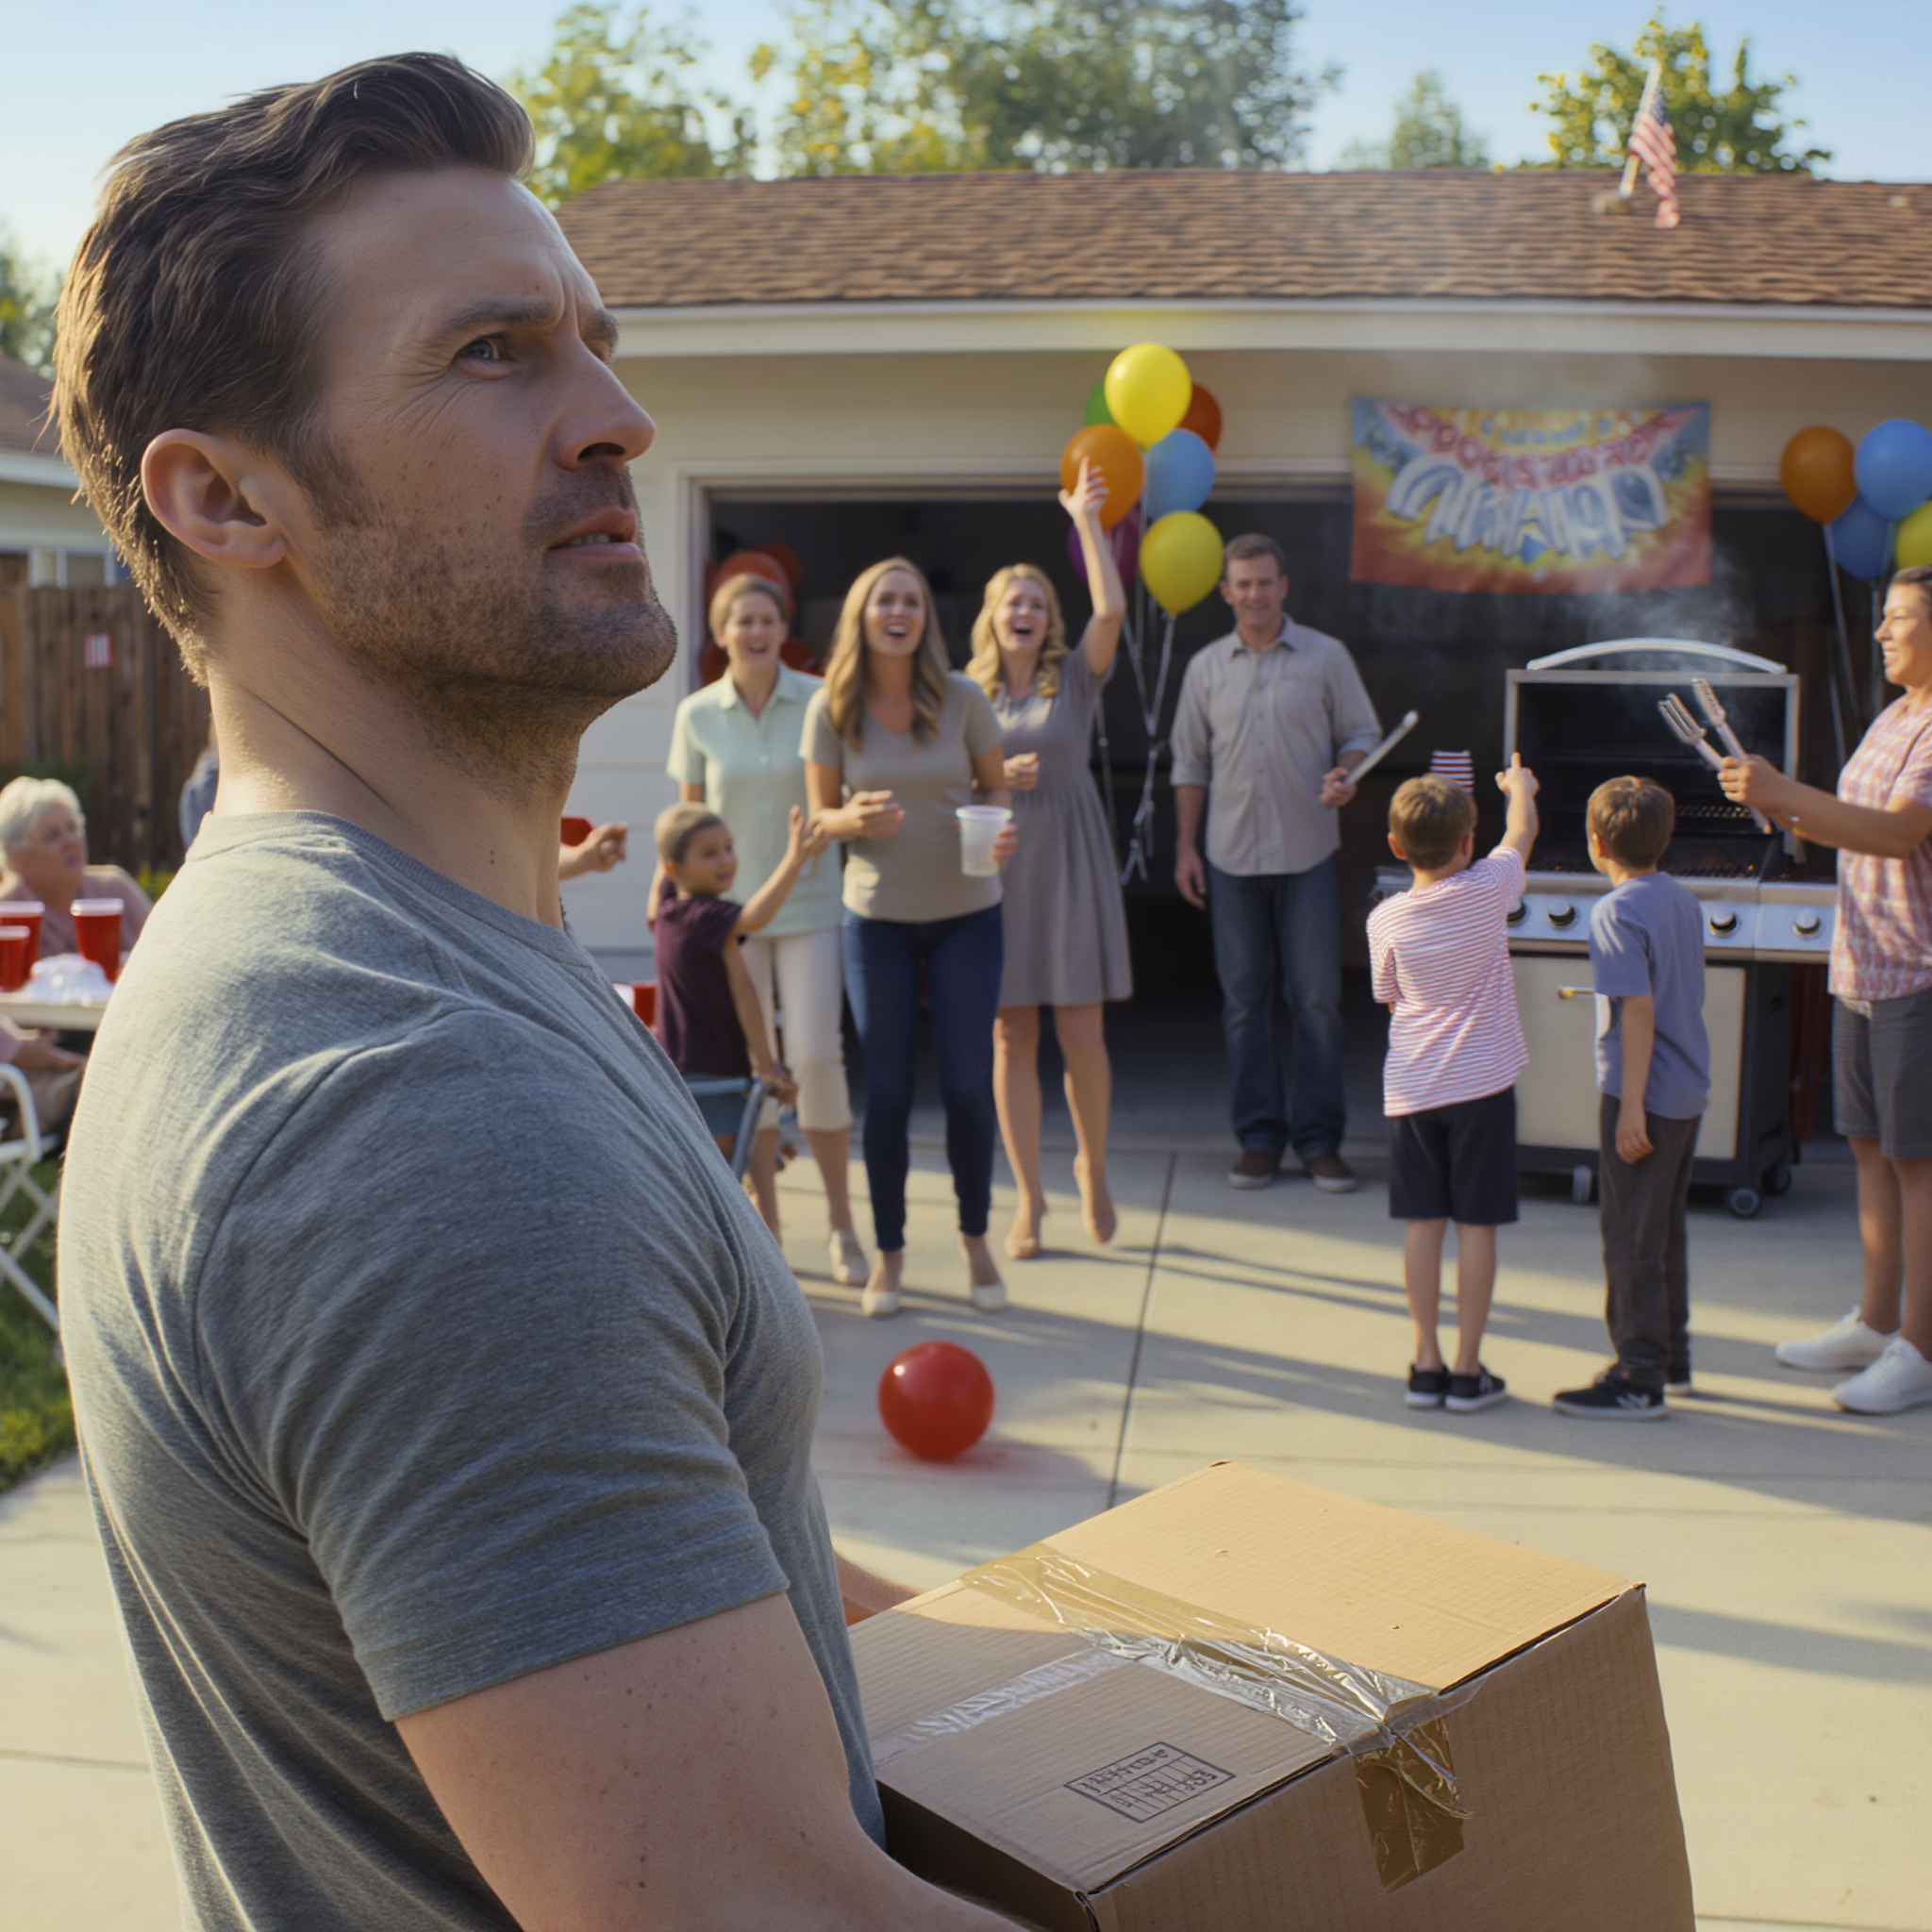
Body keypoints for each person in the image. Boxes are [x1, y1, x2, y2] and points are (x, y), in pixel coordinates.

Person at [51, 54, 1027, 1931]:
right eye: (495, 352)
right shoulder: (409, 1098)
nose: (618, 418)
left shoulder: (364, 950)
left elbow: (696, 1577)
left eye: (594, 340)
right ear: (229, 499)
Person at [1724, 564, 1932, 1416]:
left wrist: (1784, 793)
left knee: (1920, 1165)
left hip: (1921, 970)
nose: (1881, 632)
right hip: (1862, 963)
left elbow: (1897, 833)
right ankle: (1878, 1322)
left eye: (1900, 618)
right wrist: (1779, 807)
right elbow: (1846, 820)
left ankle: (1921, 1346)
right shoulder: (1893, 715)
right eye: (1883, 617)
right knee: (1869, 1149)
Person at [804, 557, 1017, 1320]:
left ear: (926, 618)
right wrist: (849, 823)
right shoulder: (832, 706)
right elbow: (819, 816)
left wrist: (997, 829)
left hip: (968, 913)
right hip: (878, 921)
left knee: (965, 1087)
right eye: (885, 600)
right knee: (888, 1092)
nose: (900, 612)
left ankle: (975, 1239)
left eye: (913, 602)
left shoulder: (962, 698)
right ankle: (889, 1255)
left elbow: (995, 785)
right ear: (862, 614)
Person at [665, 571, 865, 1285]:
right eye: (740, 621)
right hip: (727, 924)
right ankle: (767, 1242)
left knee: (812, 1058)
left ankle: (843, 1226)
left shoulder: (818, 701)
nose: (754, 631)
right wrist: (665, 896)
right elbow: (685, 821)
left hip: (810, 904)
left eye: (766, 620)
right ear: (720, 634)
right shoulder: (696, 714)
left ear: (785, 630)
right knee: (754, 1071)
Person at [1169, 533, 1382, 1194]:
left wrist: (1348, 774)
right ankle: (1260, 1139)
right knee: (1243, 1004)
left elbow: (1362, 736)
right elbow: (1189, 764)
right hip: (1229, 860)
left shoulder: (1326, 657)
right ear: (1225, 591)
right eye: (1243, 584)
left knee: (1317, 1002)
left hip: (1308, 854)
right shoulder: (1205, 668)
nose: (1255, 594)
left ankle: (1320, 1142)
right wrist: (1183, 846)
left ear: (1283, 585)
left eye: (1265, 582)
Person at [969, 459, 1129, 1258]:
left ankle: (1093, 1168)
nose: (1024, 611)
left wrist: (1085, 520)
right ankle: (1029, 1199)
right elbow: (941, 778)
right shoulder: (966, 691)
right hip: (998, 867)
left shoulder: (1073, 680)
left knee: (1084, 1033)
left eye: (1035, 602)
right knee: (1010, 1038)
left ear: (1046, 618)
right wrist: (988, 774)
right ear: (992, 618)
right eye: (1011, 602)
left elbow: (1113, 606)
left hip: (1068, 860)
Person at [1368, 760, 1538, 1416]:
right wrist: (1518, 790)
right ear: (1469, 842)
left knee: (1423, 1224)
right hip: (1484, 1087)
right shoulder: (1492, 886)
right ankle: (1468, 1371)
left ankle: (1425, 1361)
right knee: (1477, 1227)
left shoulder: (1386, 921)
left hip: (1413, 1091)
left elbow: (1390, 998)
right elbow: (1520, 833)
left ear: (1394, 847)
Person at [1553, 778, 1708, 1422]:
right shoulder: (1680, 897)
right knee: (1663, 1229)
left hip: (1642, 1094)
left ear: (1595, 843)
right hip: (1687, 1089)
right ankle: (1672, 1354)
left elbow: (1637, 1011)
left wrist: (1631, 1108)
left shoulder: (1616, 913)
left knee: (1629, 1237)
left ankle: (1638, 1375)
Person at [653, 801, 827, 1228]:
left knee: (715, 1188)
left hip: (686, 1070)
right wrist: (795, 858)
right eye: (709, 853)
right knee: (720, 1197)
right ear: (675, 869)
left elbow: (747, 995)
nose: (726, 859)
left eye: (728, 847)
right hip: (713, 1075)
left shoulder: (668, 911)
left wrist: (769, 1066)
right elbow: (758, 919)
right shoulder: (706, 916)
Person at [0, 775, 153, 959]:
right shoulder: (7, 912)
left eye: (73, 827)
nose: (71, 842)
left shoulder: (114, 888)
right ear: (17, 855)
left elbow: (169, 949)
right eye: (52, 836)